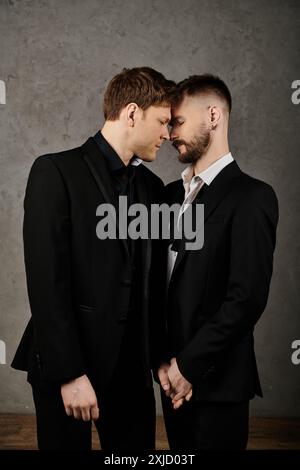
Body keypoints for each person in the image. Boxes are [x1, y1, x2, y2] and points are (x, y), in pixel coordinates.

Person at [12, 67, 175, 450]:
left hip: (132, 377)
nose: (168, 135)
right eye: (163, 122)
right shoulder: (55, 171)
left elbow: (150, 286)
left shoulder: (152, 188)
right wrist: (70, 374)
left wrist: (162, 358)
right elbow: (46, 280)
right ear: (132, 113)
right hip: (67, 368)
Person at [158, 74, 279, 450]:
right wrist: (165, 365)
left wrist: (187, 368)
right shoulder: (166, 196)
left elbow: (245, 299)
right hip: (169, 382)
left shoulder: (252, 197)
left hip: (218, 384)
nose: (170, 132)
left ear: (213, 115)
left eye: (178, 121)